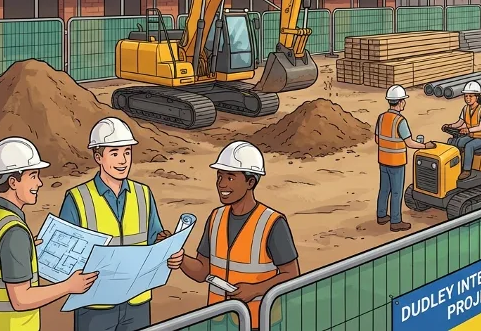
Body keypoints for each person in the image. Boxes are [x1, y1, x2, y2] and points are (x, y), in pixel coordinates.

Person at [59, 117, 183, 331]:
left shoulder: (143, 194)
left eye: (127, 152)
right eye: (114, 153)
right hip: (95, 305)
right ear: (98, 157)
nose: (123, 160)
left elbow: (155, 237)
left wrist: (169, 250)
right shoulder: (77, 198)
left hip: (137, 301)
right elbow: (63, 257)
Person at [0, 138, 97, 331]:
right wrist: (69, 286)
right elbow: (21, 300)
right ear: (13, 181)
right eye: (33, 175)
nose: (38, 183)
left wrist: (25, 250)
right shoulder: (14, 232)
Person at [179, 141, 300, 330]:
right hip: (218, 318)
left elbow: (292, 274)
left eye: (230, 177)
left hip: (259, 321)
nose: (222, 184)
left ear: (251, 182)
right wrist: (179, 258)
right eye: (219, 176)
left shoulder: (272, 223)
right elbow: (203, 271)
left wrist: (256, 290)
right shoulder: (215, 218)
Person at [375, 86, 433, 232]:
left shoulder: (381, 117)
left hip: (383, 160)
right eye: (404, 101)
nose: (404, 103)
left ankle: (381, 215)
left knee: (384, 189)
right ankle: (395, 221)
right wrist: (425, 145)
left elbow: (377, 139)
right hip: (396, 162)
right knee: (396, 192)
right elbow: (410, 143)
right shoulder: (400, 121)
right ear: (400, 102)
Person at [444, 81, 481, 181]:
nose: (468, 98)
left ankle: (466, 170)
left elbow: (480, 127)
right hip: (471, 135)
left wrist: (467, 129)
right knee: (455, 141)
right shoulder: (465, 109)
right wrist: (449, 126)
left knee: (469, 146)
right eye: (466, 96)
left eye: (470, 96)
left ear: (477, 97)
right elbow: (460, 122)